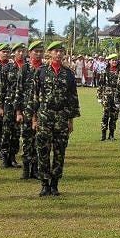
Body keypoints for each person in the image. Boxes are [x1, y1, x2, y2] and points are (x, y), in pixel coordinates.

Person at [29, 41, 80, 197]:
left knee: (59, 152)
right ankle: (44, 184)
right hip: (44, 117)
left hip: (62, 118)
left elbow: (73, 98)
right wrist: (33, 118)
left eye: (61, 51)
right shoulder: (40, 72)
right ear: (49, 53)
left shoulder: (69, 73)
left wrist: (71, 120)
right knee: (43, 151)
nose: (59, 54)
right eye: (55, 51)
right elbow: (34, 96)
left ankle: (55, 184)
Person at [14, 40, 44, 180]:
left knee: (39, 141)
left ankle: (35, 169)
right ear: (30, 53)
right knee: (26, 140)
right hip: (26, 111)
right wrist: (18, 112)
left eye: (40, 51)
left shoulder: (45, 69)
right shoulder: (24, 69)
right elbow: (18, 92)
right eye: (35, 51)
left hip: (41, 112)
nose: (38, 54)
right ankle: (26, 169)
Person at [0, 42, 26, 168]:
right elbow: (1, 88)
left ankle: (13, 157)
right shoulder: (7, 68)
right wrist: (0, 106)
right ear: (14, 53)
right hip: (8, 103)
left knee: (16, 132)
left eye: (22, 51)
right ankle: (4, 157)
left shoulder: (26, 68)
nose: (20, 53)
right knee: (6, 131)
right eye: (18, 51)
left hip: (22, 104)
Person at [97, 54, 120, 141]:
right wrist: (99, 96)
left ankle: (111, 134)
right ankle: (103, 134)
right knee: (105, 116)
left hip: (117, 96)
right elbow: (100, 85)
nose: (114, 62)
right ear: (109, 61)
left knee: (114, 116)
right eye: (112, 60)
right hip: (107, 96)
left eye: (115, 60)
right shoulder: (105, 72)